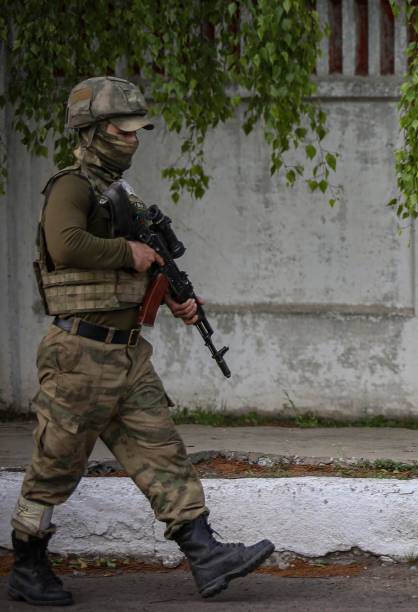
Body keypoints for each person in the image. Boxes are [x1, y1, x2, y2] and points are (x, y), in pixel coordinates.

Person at [7, 76, 275, 606]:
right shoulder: (71, 187)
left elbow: (142, 261)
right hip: (78, 356)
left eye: (136, 129)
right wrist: (128, 254)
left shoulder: (125, 195)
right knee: (54, 466)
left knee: (163, 454)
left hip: (127, 355)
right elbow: (65, 246)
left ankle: (207, 555)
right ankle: (28, 565)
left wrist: (171, 296)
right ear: (92, 130)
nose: (133, 138)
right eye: (121, 128)